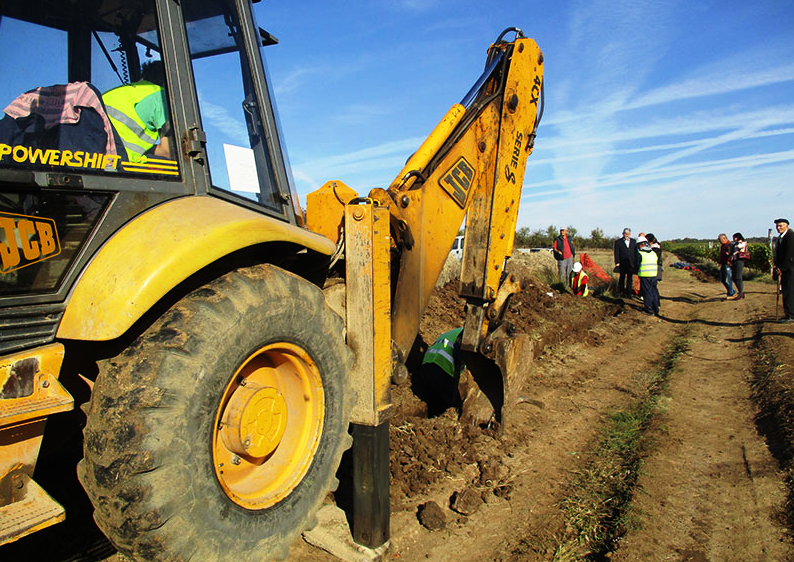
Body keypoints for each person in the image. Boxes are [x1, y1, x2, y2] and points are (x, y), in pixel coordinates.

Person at [102, 60, 172, 162]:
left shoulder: (117, 92)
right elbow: (168, 151)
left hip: (97, 156)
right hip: (122, 160)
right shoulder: (159, 95)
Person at [421, 328, 464, 415]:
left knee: (435, 401)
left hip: (426, 363)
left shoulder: (458, 330)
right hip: (443, 367)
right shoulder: (468, 335)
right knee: (453, 405)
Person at [774, 218, 794, 322]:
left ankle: (791, 315)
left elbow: (790, 254)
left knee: (789, 291)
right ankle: (788, 313)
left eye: (781, 226)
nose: (778, 228)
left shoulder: (790, 236)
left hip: (790, 269)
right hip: (785, 268)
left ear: (787, 225)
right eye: (777, 226)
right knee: (786, 290)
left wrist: (783, 267)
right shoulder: (781, 237)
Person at [636, 236, 660, 316]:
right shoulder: (653, 253)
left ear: (640, 245)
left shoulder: (640, 254)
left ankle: (649, 310)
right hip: (653, 275)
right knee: (654, 292)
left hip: (645, 276)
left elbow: (637, 265)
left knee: (647, 292)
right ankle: (656, 308)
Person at [613, 228, 637, 297]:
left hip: (631, 263)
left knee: (630, 278)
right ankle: (621, 292)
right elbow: (616, 253)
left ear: (630, 234)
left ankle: (629, 293)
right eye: (625, 234)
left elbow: (635, 252)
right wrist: (617, 262)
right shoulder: (618, 242)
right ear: (623, 234)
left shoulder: (633, 241)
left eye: (628, 234)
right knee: (622, 278)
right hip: (622, 263)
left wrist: (635, 262)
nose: (627, 235)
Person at [728, 232, 748, 300]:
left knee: (738, 277)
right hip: (734, 261)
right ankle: (740, 292)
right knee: (734, 277)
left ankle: (740, 293)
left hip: (739, 261)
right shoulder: (734, 244)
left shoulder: (742, 243)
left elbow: (741, 247)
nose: (733, 239)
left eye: (735, 237)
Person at [717, 233, 736, 298]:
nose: (719, 241)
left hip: (728, 264)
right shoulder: (723, 246)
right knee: (723, 279)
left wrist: (729, 255)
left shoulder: (730, 245)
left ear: (725, 238)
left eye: (720, 240)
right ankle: (731, 291)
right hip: (723, 264)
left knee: (727, 279)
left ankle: (731, 293)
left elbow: (733, 254)